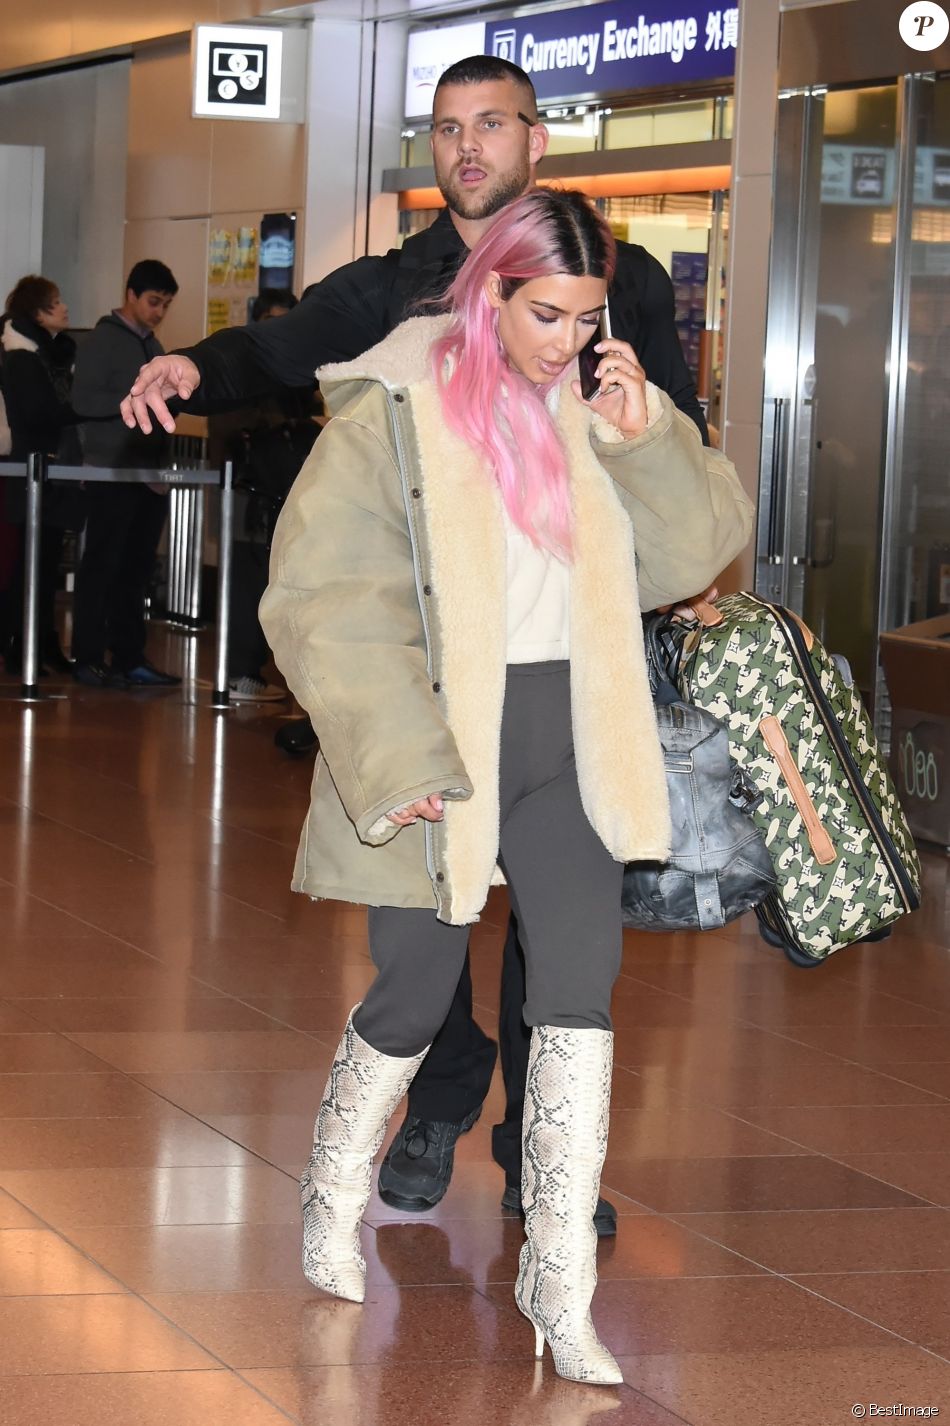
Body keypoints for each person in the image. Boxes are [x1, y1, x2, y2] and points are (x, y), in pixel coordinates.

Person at [119, 56, 711, 1231]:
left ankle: (548, 1156)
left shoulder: (616, 272)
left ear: (536, 141)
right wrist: (196, 368)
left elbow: (670, 421)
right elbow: (286, 344)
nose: (466, 148)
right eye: (446, 129)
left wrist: (667, 514)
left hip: (567, 652)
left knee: (561, 931)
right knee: (430, 922)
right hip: (441, 672)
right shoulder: (398, 284)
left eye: (490, 124)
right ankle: (437, 1101)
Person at [258, 188, 753, 1384]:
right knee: (416, 993)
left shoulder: (595, 405)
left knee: (578, 992)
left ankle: (559, 1284)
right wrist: (397, 753)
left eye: (587, 319)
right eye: (545, 314)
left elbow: (693, 554)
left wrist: (647, 439)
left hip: (572, 737)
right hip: (440, 738)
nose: (567, 341)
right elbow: (323, 597)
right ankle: (332, 1190)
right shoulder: (397, 407)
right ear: (488, 291)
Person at [70, 259, 181, 688]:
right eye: (154, 302)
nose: (158, 312)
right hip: (110, 473)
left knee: (135, 570)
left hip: (146, 476)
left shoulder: (153, 345)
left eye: (166, 305)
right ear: (130, 295)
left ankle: (129, 656)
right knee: (101, 565)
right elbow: (82, 402)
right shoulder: (102, 341)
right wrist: (135, 397)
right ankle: (88, 655)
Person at [207, 288, 321, 703]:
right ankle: (239, 671)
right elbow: (225, 424)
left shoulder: (293, 364)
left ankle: (252, 668)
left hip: (281, 492)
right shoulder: (242, 361)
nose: (282, 327)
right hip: (245, 491)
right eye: (274, 317)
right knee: (246, 582)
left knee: (273, 580)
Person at [0, 276, 84, 675]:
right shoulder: (22, 359)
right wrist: (83, 408)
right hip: (31, 473)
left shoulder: (53, 355)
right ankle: (19, 644)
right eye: (55, 302)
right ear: (37, 313)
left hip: (53, 471)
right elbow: (38, 414)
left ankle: (43, 641)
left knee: (46, 563)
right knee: (26, 566)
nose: (64, 308)